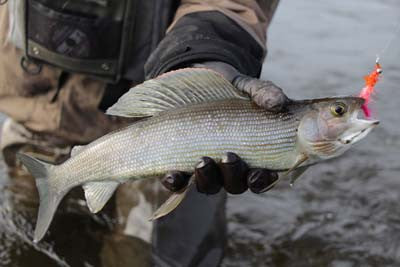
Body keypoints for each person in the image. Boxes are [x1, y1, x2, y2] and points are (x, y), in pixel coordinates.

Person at [0, 0, 288, 266]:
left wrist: (205, 52)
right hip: (40, 100)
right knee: (33, 249)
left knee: (160, 256)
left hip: (174, 109)